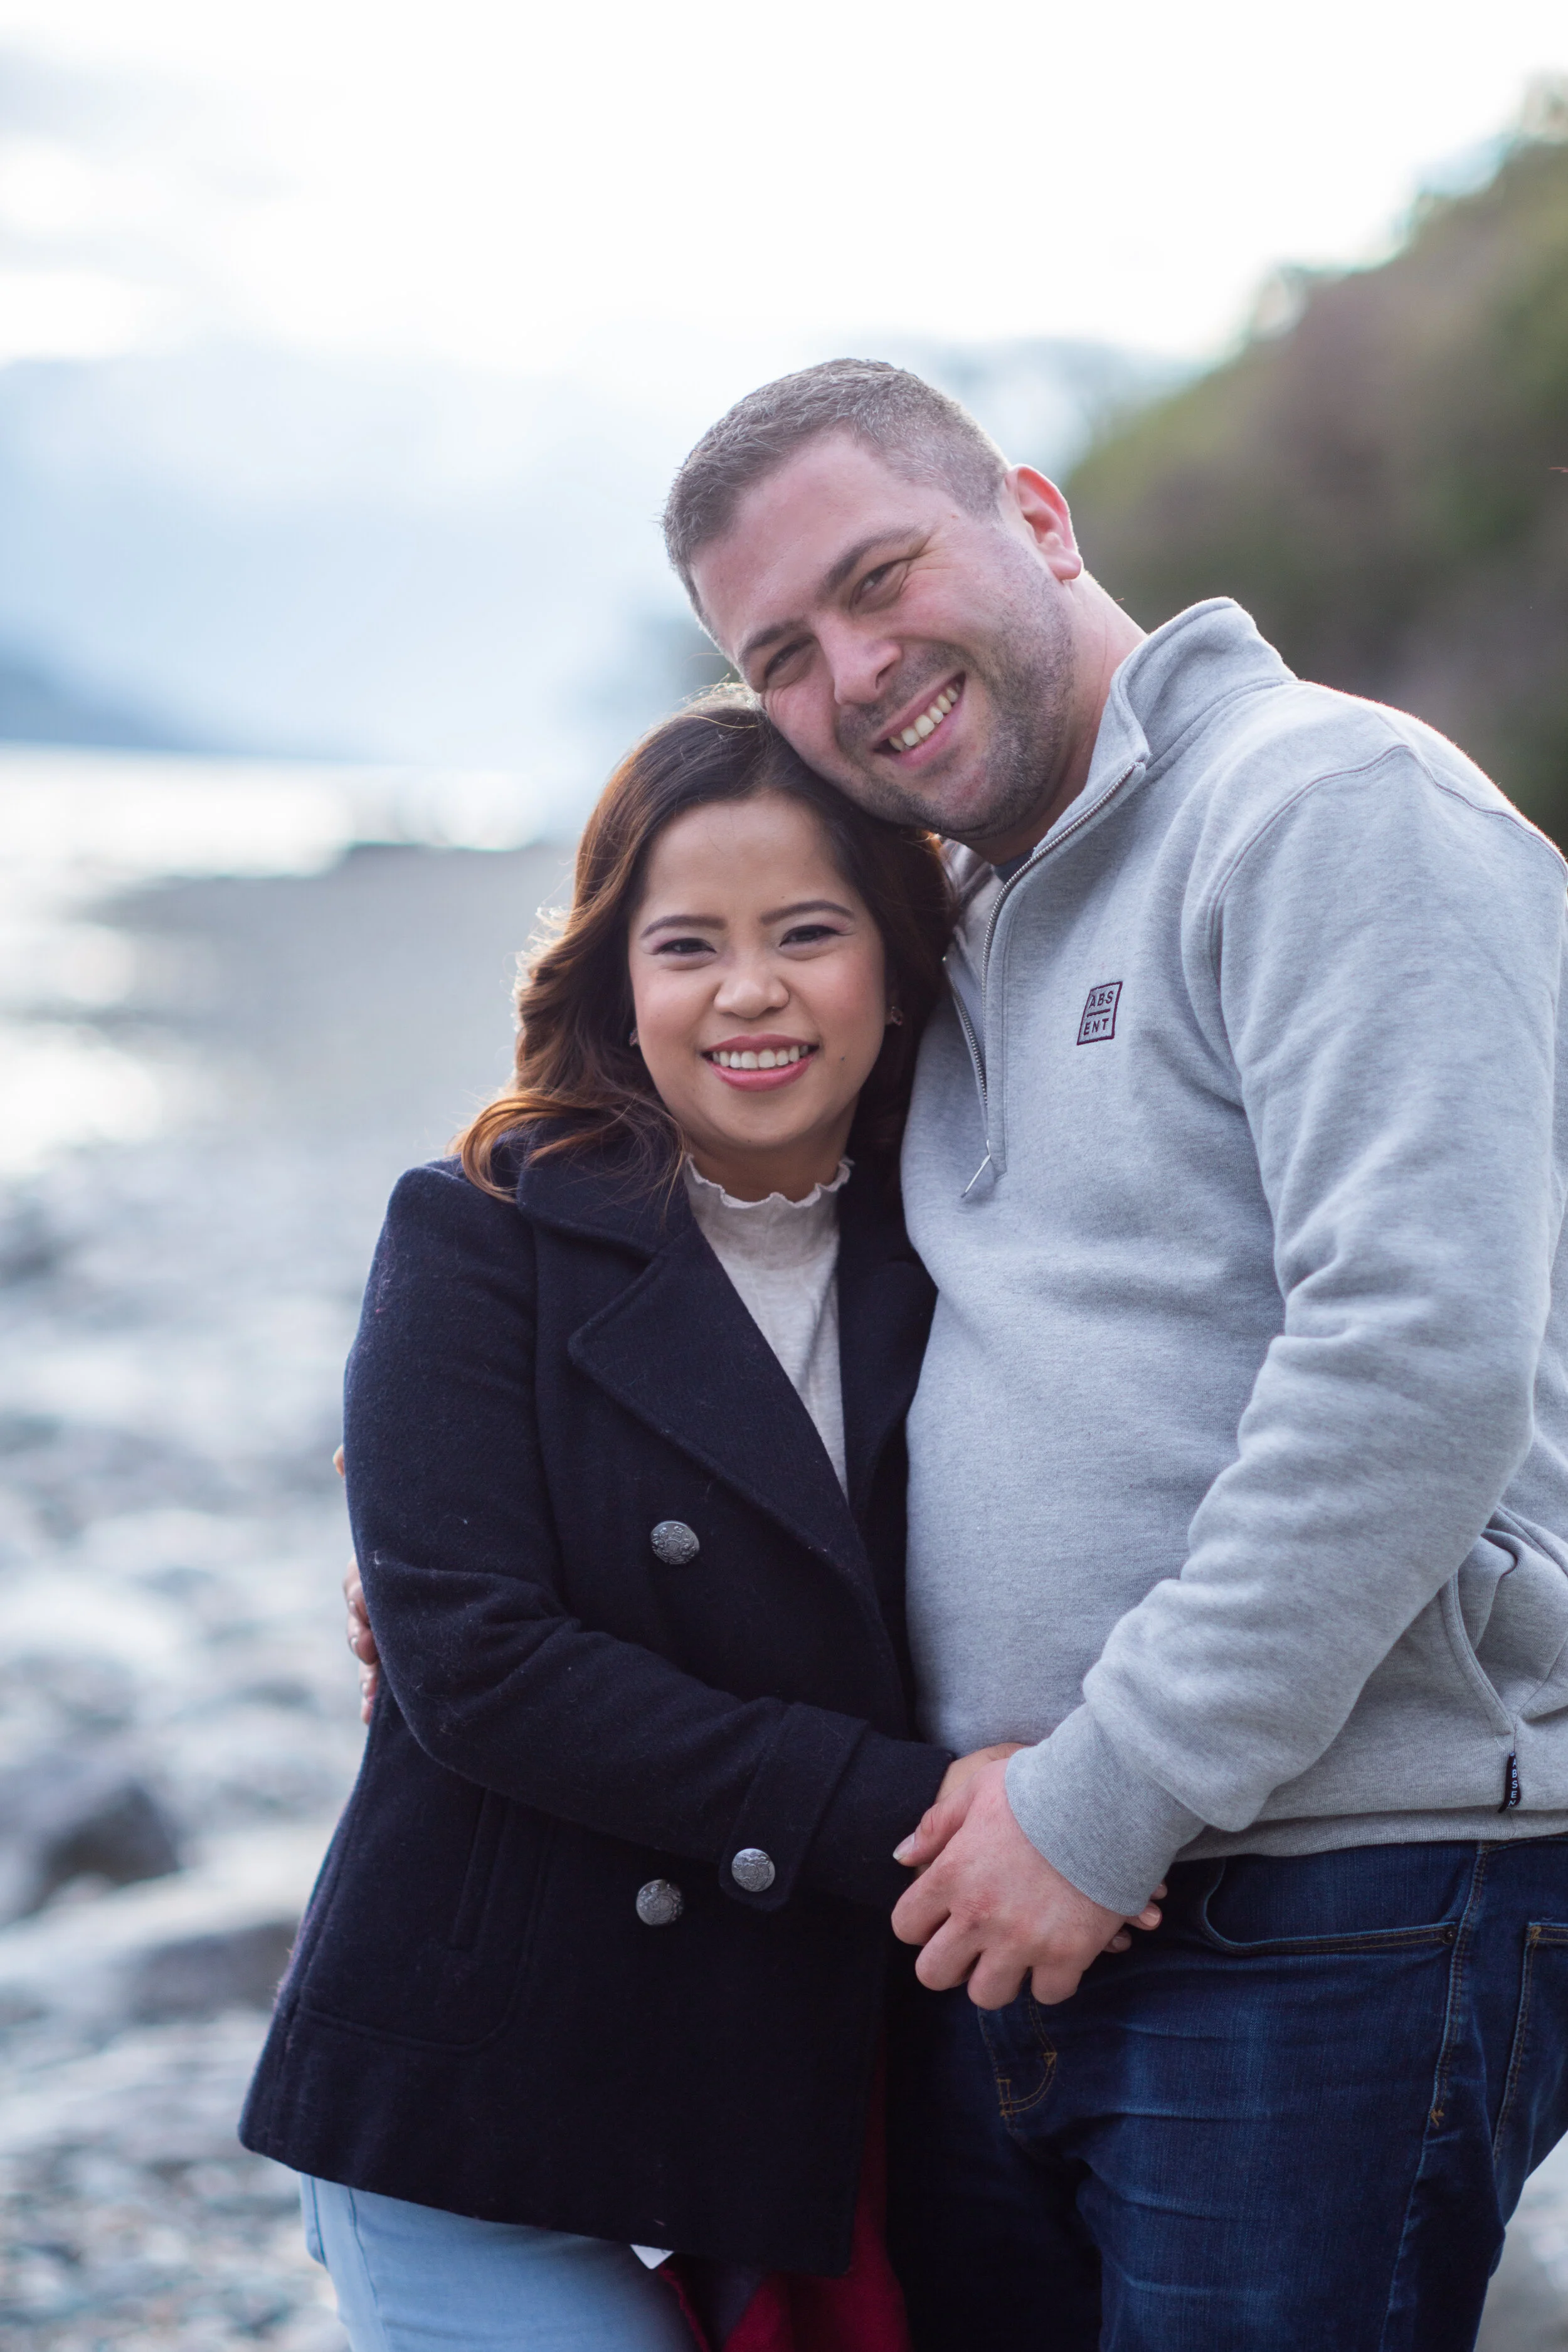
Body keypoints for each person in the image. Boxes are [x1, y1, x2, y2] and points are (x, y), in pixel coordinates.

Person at [643, 359, 1568, 2351]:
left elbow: (1413, 1362)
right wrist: (501, 1517)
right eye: (782, 653)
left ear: (1039, 517)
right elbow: (754, 1246)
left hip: (1336, 1888)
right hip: (1020, 1901)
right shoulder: (948, 919)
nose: (858, 672)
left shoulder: (1326, 806)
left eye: (882, 577)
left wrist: (1100, 1797)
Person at [241, 697, 1157, 2352]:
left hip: (806, 2079)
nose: (750, 991)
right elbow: (477, 1663)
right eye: (688, 944)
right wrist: (919, 1804)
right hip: (480, 2074)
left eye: (807, 931)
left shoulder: (969, 1251)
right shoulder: (478, 1232)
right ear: (615, 977)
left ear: (894, 954)